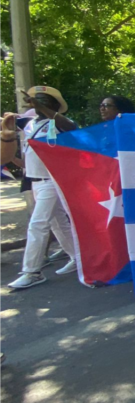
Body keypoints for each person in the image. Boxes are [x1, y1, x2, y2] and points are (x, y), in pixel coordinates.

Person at [4, 87, 78, 290]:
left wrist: (43, 108)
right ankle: (78, 258)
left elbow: (71, 127)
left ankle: (32, 272)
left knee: (37, 224)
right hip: (35, 182)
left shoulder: (59, 123)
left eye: (44, 100)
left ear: (54, 105)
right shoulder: (30, 123)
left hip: (51, 181)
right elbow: (11, 121)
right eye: (35, 100)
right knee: (58, 224)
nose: (36, 103)